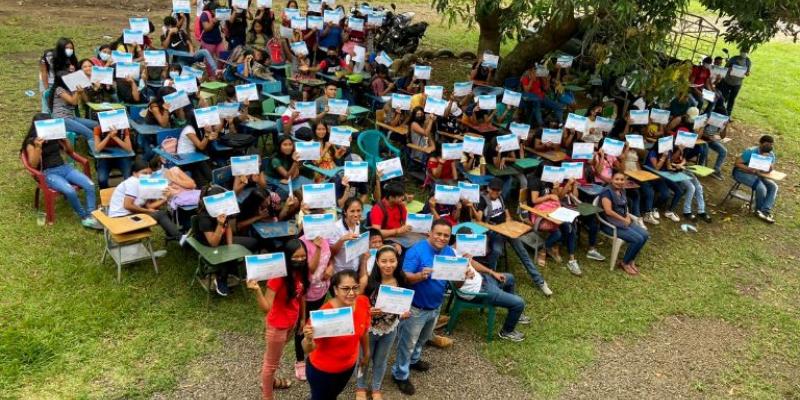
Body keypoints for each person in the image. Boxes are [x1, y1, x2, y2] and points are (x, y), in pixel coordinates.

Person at [391, 219, 474, 395]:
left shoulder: (449, 252)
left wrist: (464, 274)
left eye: (446, 235)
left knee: (422, 339)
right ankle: (400, 374)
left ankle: (414, 361)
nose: (442, 238)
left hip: (435, 306)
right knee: (407, 343)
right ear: (430, 232)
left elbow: (457, 285)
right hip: (415, 307)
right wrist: (421, 275)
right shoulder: (417, 251)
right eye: (438, 233)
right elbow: (405, 277)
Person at [246, 239, 310, 399]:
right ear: (287, 257)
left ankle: (270, 381)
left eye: (303, 257)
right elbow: (266, 307)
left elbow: (301, 296)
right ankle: (267, 394)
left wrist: (302, 319)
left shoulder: (300, 272)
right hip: (277, 327)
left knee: (274, 357)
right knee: (270, 365)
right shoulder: (277, 278)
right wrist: (257, 290)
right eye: (296, 257)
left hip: (291, 324)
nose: (300, 260)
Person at [470, 178, 552, 295]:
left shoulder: (501, 198)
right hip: (494, 231)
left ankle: (540, 282)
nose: (496, 193)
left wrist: (509, 224)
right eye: (494, 190)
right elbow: (479, 219)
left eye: (499, 191)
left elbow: (507, 214)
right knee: (496, 251)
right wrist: (472, 207)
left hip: (508, 230)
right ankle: (491, 279)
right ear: (488, 189)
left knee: (523, 253)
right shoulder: (483, 200)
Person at [21, 113, 100, 229]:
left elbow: (70, 151)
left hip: (65, 168)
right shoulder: (31, 142)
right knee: (70, 191)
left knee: (90, 185)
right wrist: (38, 147)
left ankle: (91, 214)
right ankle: (84, 217)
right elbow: (33, 164)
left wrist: (65, 140)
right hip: (48, 172)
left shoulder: (54, 137)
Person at [302, 270, 371, 400]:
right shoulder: (323, 315)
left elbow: (364, 330)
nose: (351, 293)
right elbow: (307, 349)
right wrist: (308, 339)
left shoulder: (363, 302)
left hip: (347, 368)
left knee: (333, 395)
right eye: (345, 288)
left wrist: (366, 353)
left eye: (355, 287)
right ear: (335, 289)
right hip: (323, 372)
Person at [452, 227, 530, 342]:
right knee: (519, 303)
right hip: (477, 292)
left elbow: (473, 262)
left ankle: (514, 314)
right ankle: (507, 332)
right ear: (459, 240)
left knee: (510, 278)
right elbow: (457, 286)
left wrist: (492, 272)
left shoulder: (462, 250)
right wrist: (463, 276)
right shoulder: (452, 258)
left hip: (483, 280)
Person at [356, 245, 410, 400]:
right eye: (384, 261)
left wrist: (404, 313)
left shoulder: (401, 280)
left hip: (390, 329)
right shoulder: (368, 281)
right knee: (364, 358)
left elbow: (404, 304)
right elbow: (355, 304)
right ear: (377, 262)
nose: (388, 265)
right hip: (369, 330)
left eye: (392, 261)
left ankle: (376, 388)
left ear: (397, 261)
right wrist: (367, 311)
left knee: (381, 360)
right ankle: (360, 386)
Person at [193, 185, 259, 296]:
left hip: (222, 240)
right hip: (209, 246)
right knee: (224, 256)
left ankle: (232, 269)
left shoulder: (223, 210)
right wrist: (219, 224)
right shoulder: (204, 218)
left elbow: (228, 227)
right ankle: (220, 278)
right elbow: (213, 243)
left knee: (253, 243)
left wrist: (230, 246)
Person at [107, 159, 182, 241]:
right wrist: (147, 211)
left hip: (130, 216)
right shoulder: (133, 182)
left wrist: (166, 198)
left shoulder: (144, 184)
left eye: (150, 174)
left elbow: (149, 206)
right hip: (121, 220)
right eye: (144, 173)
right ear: (134, 173)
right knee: (160, 214)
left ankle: (172, 235)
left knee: (163, 213)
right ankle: (180, 238)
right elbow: (127, 205)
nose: (147, 176)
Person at [527, 173, 582, 275]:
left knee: (570, 229)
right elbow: (535, 201)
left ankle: (571, 259)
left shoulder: (552, 181)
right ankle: (543, 250)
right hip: (541, 213)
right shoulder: (536, 182)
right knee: (558, 233)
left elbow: (557, 198)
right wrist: (550, 196)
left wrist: (556, 188)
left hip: (555, 210)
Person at [599, 171, 649, 275]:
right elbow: (608, 211)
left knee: (645, 234)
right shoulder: (606, 192)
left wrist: (627, 216)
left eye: (622, 179)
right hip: (610, 224)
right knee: (637, 239)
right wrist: (623, 219)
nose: (619, 182)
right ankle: (624, 263)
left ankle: (630, 259)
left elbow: (625, 206)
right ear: (612, 180)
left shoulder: (622, 190)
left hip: (623, 221)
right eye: (617, 179)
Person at [732, 135, 778, 223]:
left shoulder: (771, 154)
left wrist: (769, 164)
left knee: (773, 187)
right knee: (761, 188)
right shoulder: (750, 151)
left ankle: (765, 211)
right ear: (760, 143)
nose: (769, 146)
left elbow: (769, 169)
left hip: (758, 174)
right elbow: (737, 163)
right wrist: (750, 169)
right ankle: (759, 210)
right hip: (741, 173)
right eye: (767, 144)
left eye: (771, 144)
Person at [49, 71, 99, 140]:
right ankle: (95, 149)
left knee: (96, 125)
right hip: (61, 119)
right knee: (90, 133)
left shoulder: (71, 89)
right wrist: (77, 91)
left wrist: (82, 92)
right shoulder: (59, 89)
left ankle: (96, 144)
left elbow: (87, 101)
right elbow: (74, 102)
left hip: (71, 117)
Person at [329, 198, 366, 273]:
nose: (356, 215)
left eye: (358, 211)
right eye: (352, 211)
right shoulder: (336, 227)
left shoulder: (358, 223)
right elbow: (331, 253)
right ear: (345, 212)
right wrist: (342, 240)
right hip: (340, 270)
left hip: (355, 267)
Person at [718, 48, 752, 116]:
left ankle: (727, 115)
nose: (744, 53)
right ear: (740, 51)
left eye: (746, 52)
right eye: (743, 51)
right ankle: (718, 111)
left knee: (732, 99)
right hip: (727, 81)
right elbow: (726, 68)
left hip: (737, 83)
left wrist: (747, 73)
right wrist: (730, 69)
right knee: (723, 97)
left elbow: (748, 72)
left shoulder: (748, 61)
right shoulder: (733, 58)